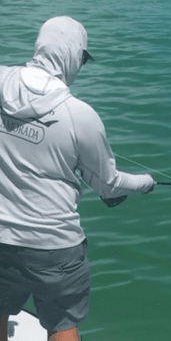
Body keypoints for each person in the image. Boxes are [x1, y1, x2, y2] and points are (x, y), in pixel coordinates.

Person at [0, 17, 155, 341]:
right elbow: (107, 185)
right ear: (72, 55)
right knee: (62, 324)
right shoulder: (80, 116)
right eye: (82, 58)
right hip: (55, 246)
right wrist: (145, 183)